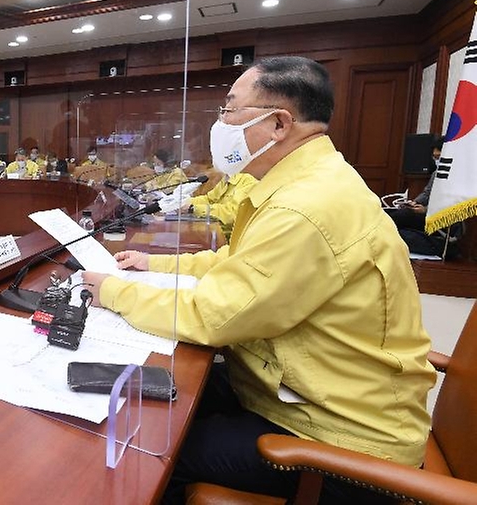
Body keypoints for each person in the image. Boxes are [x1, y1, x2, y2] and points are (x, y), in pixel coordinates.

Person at [82, 56, 435, 503]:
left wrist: (113, 291)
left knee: (150, 446)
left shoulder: (305, 206)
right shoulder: (306, 179)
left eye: (229, 110)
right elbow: (240, 262)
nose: (221, 123)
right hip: (295, 389)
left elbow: (219, 315)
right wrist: (156, 266)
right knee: (158, 394)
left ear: (279, 124)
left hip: (337, 435)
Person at [186, 172, 258, 239]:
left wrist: (193, 208)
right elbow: (209, 199)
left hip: (230, 242)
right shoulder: (228, 178)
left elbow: (232, 214)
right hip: (214, 233)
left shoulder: (248, 182)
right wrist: (183, 202)